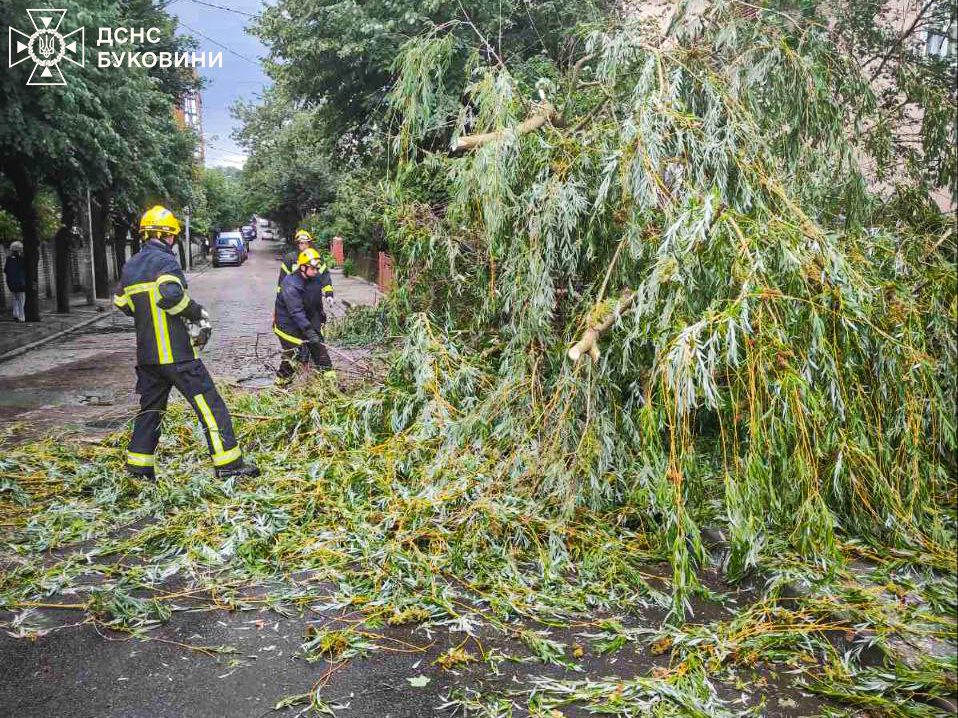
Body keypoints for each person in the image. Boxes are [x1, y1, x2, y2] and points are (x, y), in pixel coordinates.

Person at [112, 205, 260, 480]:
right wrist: (195, 312)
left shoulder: (131, 265)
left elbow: (121, 302)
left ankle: (140, 470)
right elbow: (170, 296)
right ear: (169, 236)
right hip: (177, 355)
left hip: (148, 357)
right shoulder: (165, 262)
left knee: (151, 411)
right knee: (210, 406)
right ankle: (229, 465)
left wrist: (146, 313)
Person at [274, 247, 335, 386]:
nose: (316, 271)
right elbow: (296, 312)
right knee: (295, 354)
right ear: (302, 267)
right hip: (288, 325)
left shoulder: (315, 277)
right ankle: (280, 384)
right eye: (312, 268)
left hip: (306, 319)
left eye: (317, 268)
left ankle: (331, 384)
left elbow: (315, 301)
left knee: (319, 347)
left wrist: (319, 321)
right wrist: (309, 332)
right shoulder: (290, 284)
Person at [4, 241, 26, 322]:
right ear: (20, 250)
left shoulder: (8, 259)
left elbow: (5, 270)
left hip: (11, 282)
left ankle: (15, 314)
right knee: (21, 300)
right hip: (21, 282)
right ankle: (21, 317)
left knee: (14, 299)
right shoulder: (22, 259)